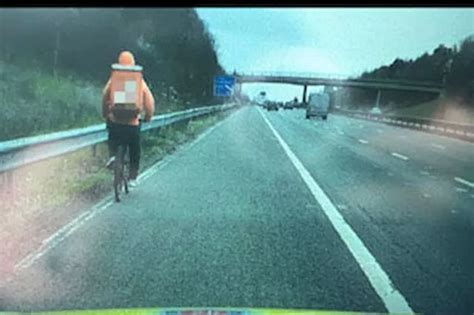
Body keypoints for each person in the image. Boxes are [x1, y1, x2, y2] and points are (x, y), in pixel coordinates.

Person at [102, 51, 155, 188]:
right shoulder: (138, 81)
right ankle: (132, 176)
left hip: (116, 121)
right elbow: (149, 102)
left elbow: (105, 96)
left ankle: (113, 156)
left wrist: (106, 114)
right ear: (133, 63)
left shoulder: (114, 78)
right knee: (134, 149)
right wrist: (148, 117)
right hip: (132, 123)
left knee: (112, 136)